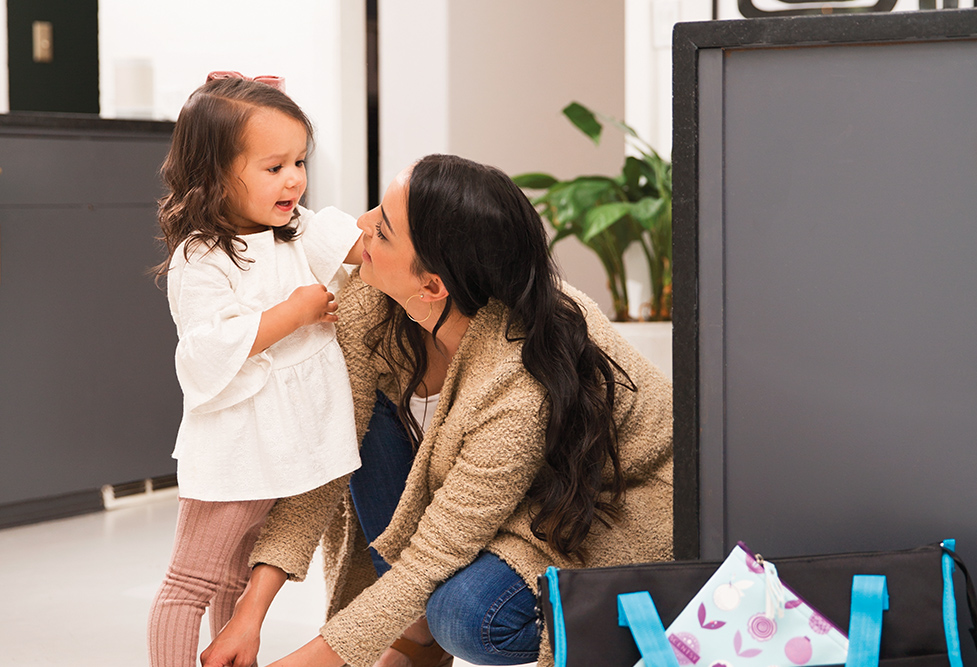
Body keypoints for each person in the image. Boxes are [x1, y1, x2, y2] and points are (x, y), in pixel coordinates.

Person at [202, 154, 674, 667]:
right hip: (509, 490)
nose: (359, 227)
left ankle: (433, 626)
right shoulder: (371, 303)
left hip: (611, 500)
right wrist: (249, 614)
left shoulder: (518, 376)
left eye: (381, 230)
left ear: (431, 286)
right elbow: (327, 462)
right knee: (351, 420)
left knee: (467, 614)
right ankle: (414, 630)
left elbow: (434, 554)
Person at [147, 73, 364, 667]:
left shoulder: (296, 229)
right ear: (217, 176)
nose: (294, 178)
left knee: (235, 584)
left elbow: (363, 240)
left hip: (280, 449)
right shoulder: (202, 256)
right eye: (274, 167)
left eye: (300, 161)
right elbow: (208, 348)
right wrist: (292, 313)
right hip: (235, 452)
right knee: (192, 581)